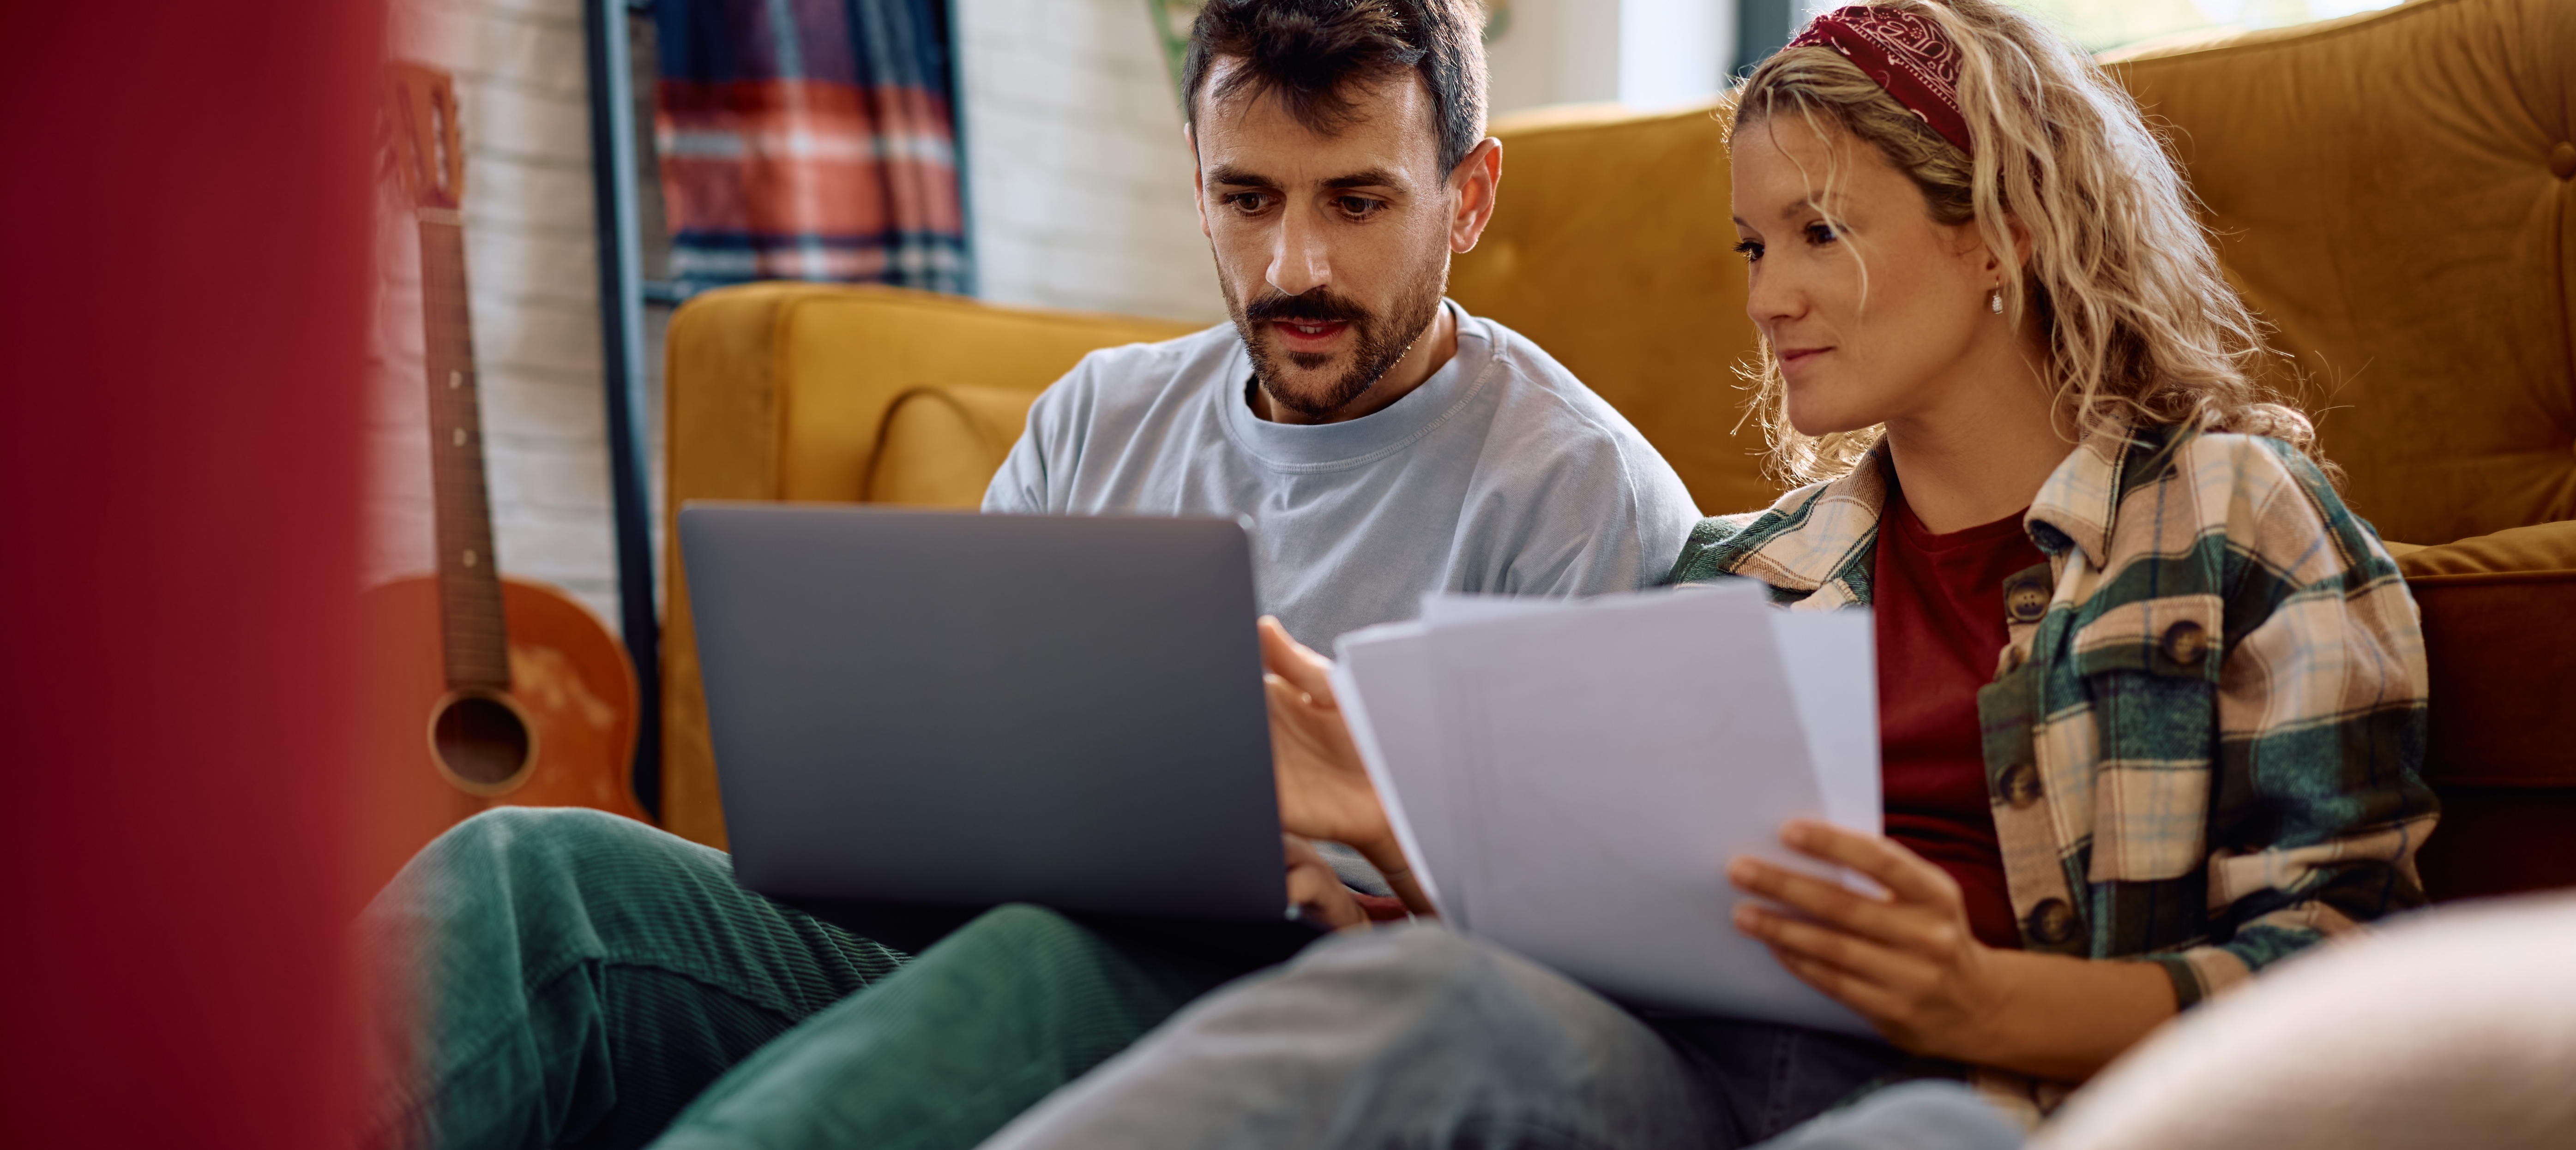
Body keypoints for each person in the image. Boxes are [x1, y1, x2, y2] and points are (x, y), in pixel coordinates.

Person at [961, 1, 2440, 1146]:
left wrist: (1983, 998)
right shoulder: (1749, 576)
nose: (1767, 296)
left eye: (1819, 234)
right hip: (1698, 1081)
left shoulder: (2235, 522)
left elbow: (2342, 978)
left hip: (1991, 1100)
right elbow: (1585, 943)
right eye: (1751, 245)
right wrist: (1399, 830)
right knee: (1414, 997)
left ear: (2000, 232)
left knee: (1928, 1132)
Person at [355, 2, 1697, 1149]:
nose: (1296, 265)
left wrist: (1342, 892)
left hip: (1277, 1025)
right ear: (1198, 182)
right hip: (978, 942)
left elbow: (1586, 972)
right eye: (1248, 198)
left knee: (1047, 959)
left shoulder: (1577, 491)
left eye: (1357, 202)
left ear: (1469, 195)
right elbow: (967, 772)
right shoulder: (1095, 418)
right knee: (537, 875)